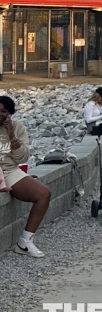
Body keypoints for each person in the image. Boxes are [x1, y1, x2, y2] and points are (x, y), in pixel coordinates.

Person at [0, 96, 51, 256]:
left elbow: (22, 158)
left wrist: (11, 136)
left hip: (9, 170)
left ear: (9, 113)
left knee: (43, 194)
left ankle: (25, 241)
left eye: (3, 111)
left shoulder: (17, 127)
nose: (0, 114)